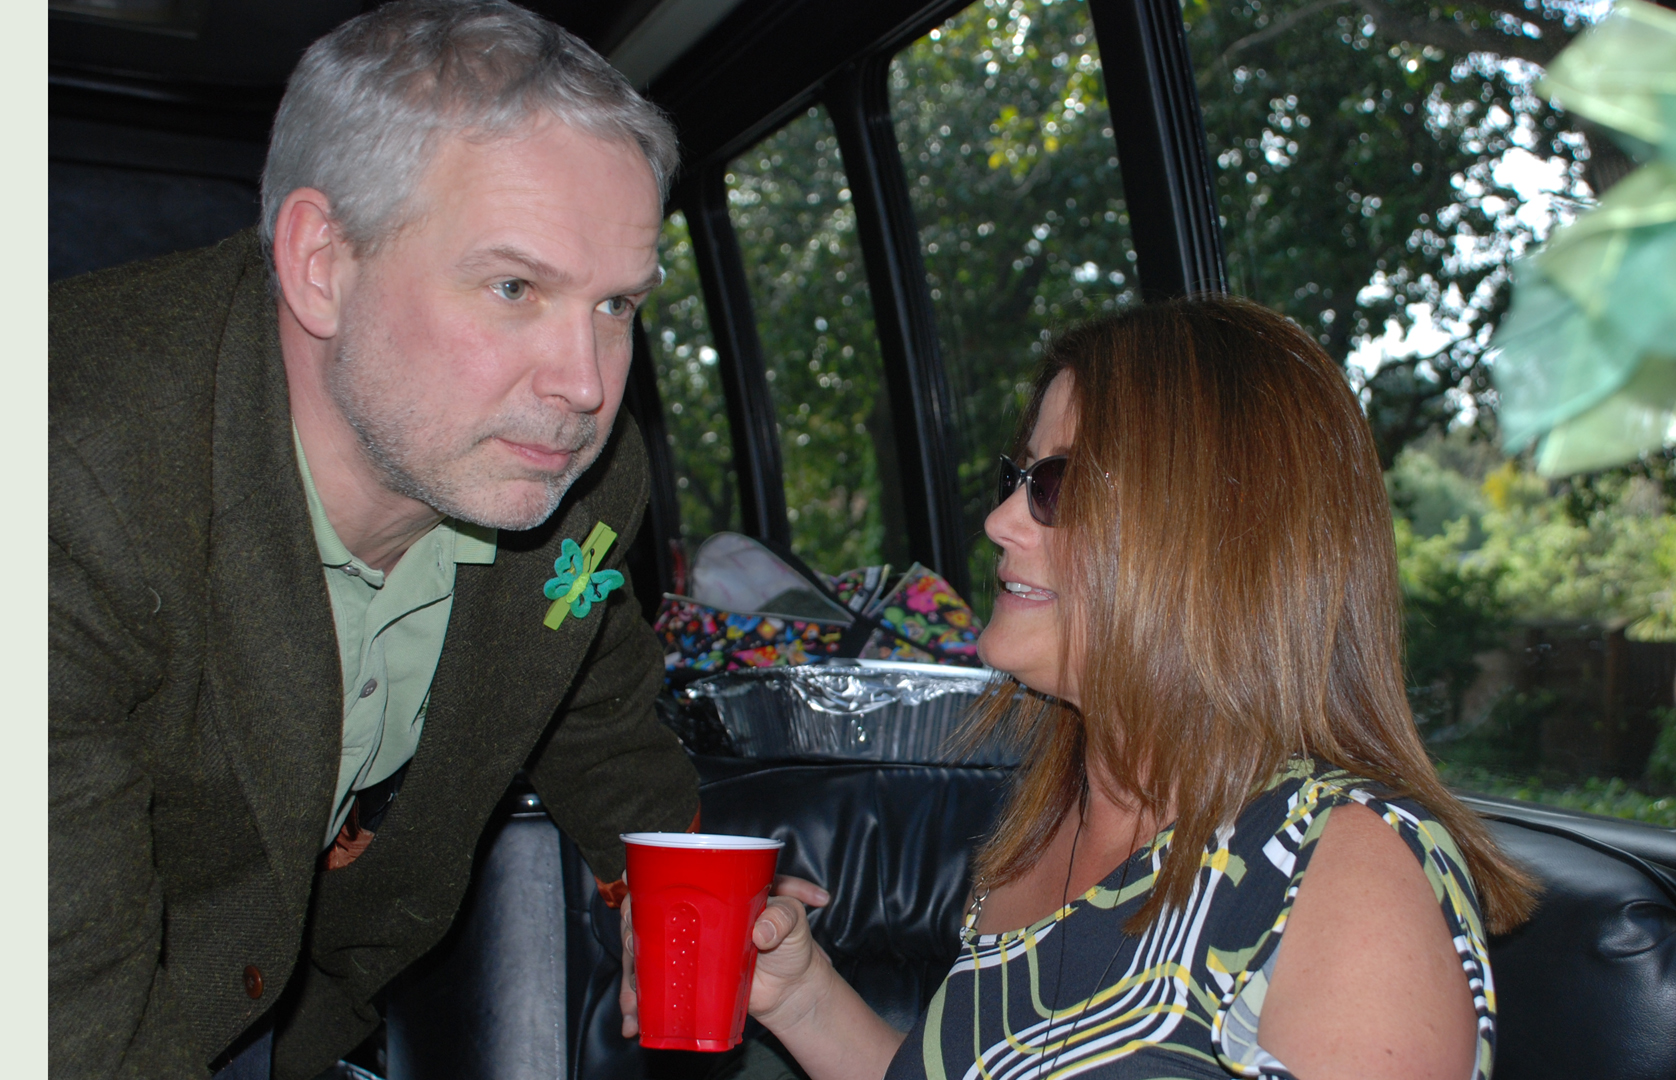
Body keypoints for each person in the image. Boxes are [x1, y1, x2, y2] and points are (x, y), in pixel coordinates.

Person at [48, 3, 700, 1077]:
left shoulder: (572, 477)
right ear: (321, 262)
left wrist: (669, 878)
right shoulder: (66, 486)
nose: (585, 386)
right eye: (515, 287)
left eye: (617, 305)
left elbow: (587, 691)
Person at [653, 296, 1538, 1079]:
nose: (999, 520)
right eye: (1017, 478)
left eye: (1058, 486)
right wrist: (801, 996)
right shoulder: (1049, 824)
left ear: (1213, 539)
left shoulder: (1341, 869)